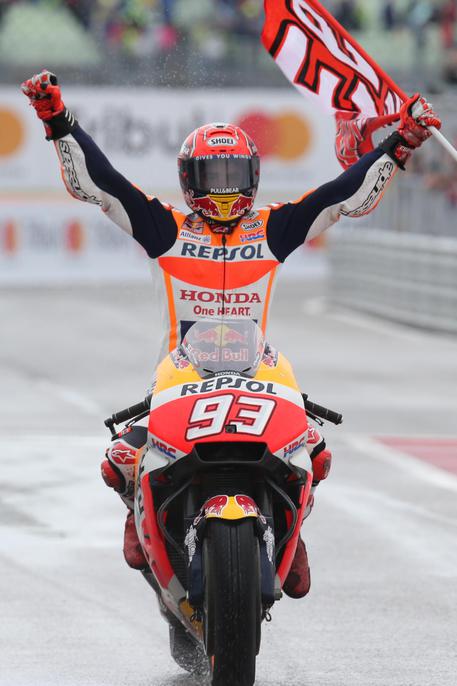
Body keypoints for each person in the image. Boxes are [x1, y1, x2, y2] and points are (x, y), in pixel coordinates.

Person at [21, 70, 441, 599]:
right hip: (179, 381)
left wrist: (399, 143)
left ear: (254, 175)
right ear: (188, 179)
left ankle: (293, 532)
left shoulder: (273, 228)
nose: (223, 186)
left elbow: (340, 197)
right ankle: (136, 512)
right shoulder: (165, 228)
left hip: (257, 375)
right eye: (211, 173)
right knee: (120, 458)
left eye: (233, 172)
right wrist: (57, 120)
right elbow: (102, 184)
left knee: (314, 452)